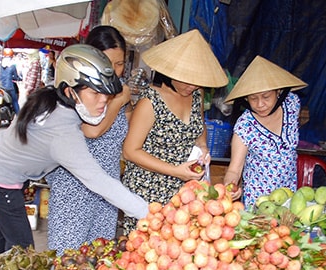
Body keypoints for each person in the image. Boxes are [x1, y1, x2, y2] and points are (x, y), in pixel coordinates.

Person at [0, 44, 148, 263]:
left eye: (106, 95)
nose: (103, 102)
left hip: (2, 165)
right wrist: (147, 212)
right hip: (1, 177)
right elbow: (100, 182)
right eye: (95, 93)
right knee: (22, 253)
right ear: (70, 91)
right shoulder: (63, 136)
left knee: (5, 225)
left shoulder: (57, 97)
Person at [121, 29, 228, 234]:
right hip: (148, 191)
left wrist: (203, 146)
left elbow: (199, 127)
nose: (191, 86)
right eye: (186, 79)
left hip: (183, 192)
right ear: (170, 71)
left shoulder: (196, 94)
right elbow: (130, 151)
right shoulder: (150, 101)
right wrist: (174, 170)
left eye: (197, 80)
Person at [45, 25, 132, 255]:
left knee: (99, 261)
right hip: (75, 191)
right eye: (107, 63)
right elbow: (91, 130)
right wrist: (119, 101)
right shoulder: (80, 88)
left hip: (108, 191)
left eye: (120, 64)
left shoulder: (120, 91)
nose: (114, 70)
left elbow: (126, 133)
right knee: (67, 261)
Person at [222, 56, 307, 209]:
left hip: (289, 193)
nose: (260, 104)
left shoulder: (292, 104)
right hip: (259, 200)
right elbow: (234, 169)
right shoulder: (245, 126)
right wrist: (230, 185)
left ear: (279, 91)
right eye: (253, 99)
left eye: (266, 97)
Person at [0, 48, 21, 114]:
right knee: (15, 101)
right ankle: (19, 117)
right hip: (8, 87)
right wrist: (18, 78)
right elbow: (15, 77)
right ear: (12, 56)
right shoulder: (12, 65)